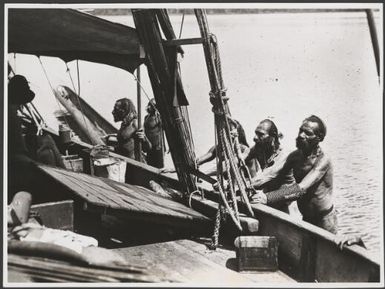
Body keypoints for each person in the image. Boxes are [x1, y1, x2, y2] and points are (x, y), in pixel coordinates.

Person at [251, 115, 337, 234]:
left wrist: (267, 197)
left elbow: (301, 188)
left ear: (319, 138)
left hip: (324, 220)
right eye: (301, 130)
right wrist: (245, 187)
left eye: (307, 133)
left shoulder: (323, 160)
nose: (301, 135)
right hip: (306, 219)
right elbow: (271, 174)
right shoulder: (295, 156)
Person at [246, 119, 296, 213]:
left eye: (260, 134)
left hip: (284, 197)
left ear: (272, 137)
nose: (255, 138)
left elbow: (264, 177)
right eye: (256, 133)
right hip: (268, 193)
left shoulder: (285, 154)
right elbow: (238, 160)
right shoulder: (258, 148)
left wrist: (235, 187)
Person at [143, 98, 165, 168]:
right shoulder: (146, 117)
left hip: (157, 147)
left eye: (151, 106)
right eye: (149, 105)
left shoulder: (159, 118)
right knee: (149, 166)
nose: (149, 107)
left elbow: (165, 128)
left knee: (158, 168)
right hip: (148, 146)